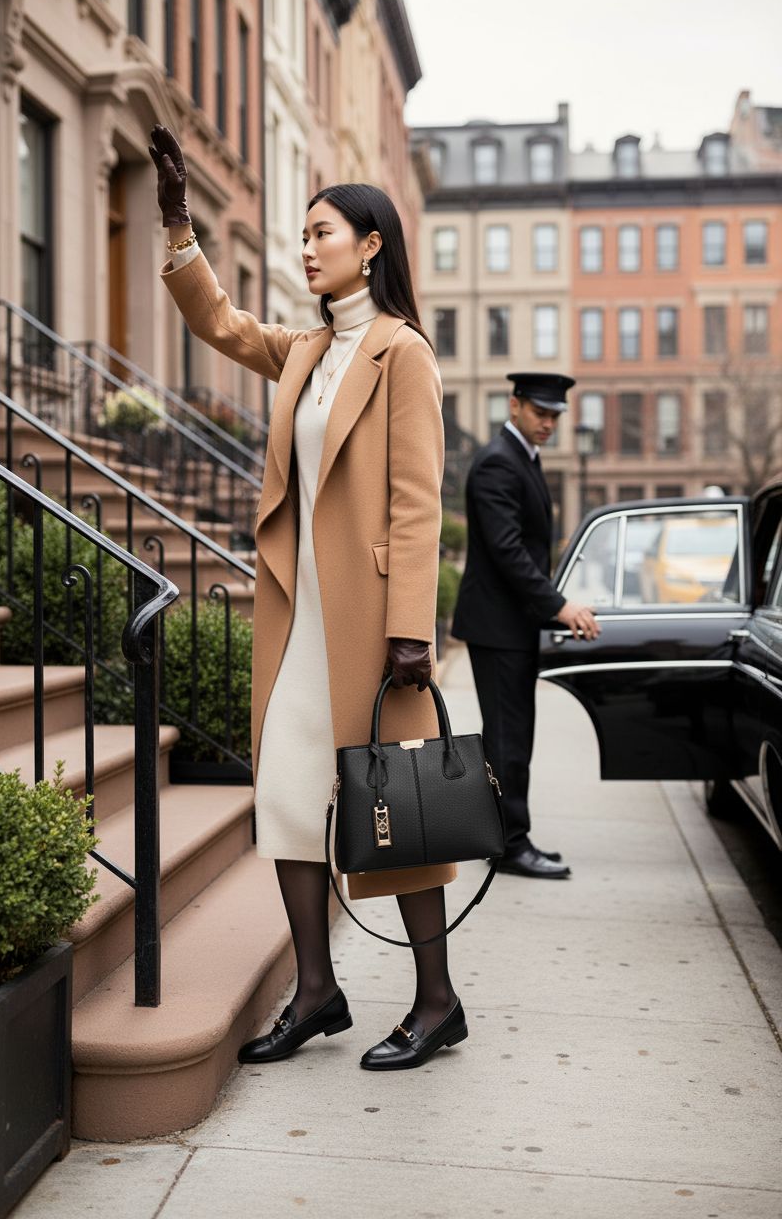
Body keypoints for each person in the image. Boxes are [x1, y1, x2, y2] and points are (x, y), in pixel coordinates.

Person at [150, 125, 466, 1071]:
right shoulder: (306, 350)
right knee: (288, 794)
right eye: (301, 234)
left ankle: (438, 1000)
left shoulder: (400, 352)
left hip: (373, 624)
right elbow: (219, 323)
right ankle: (317, 990)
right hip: (297, 617)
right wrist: (178, 226)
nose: (304, 247)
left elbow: (418, 501)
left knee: (394, 807)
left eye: (320, 232)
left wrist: (412, 626)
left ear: (371, 244)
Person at [451, 372, 599, 879]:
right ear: (514, 406)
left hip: (509, 624)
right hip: (497, 626)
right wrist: (559, 606)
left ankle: (510, 837)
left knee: (514, 737)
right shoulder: (498, 462)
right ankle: (509, 846)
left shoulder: (521, 460)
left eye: (555, 416)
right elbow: (508, 551)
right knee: (508, 741)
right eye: (540, 413)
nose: (549, 424)